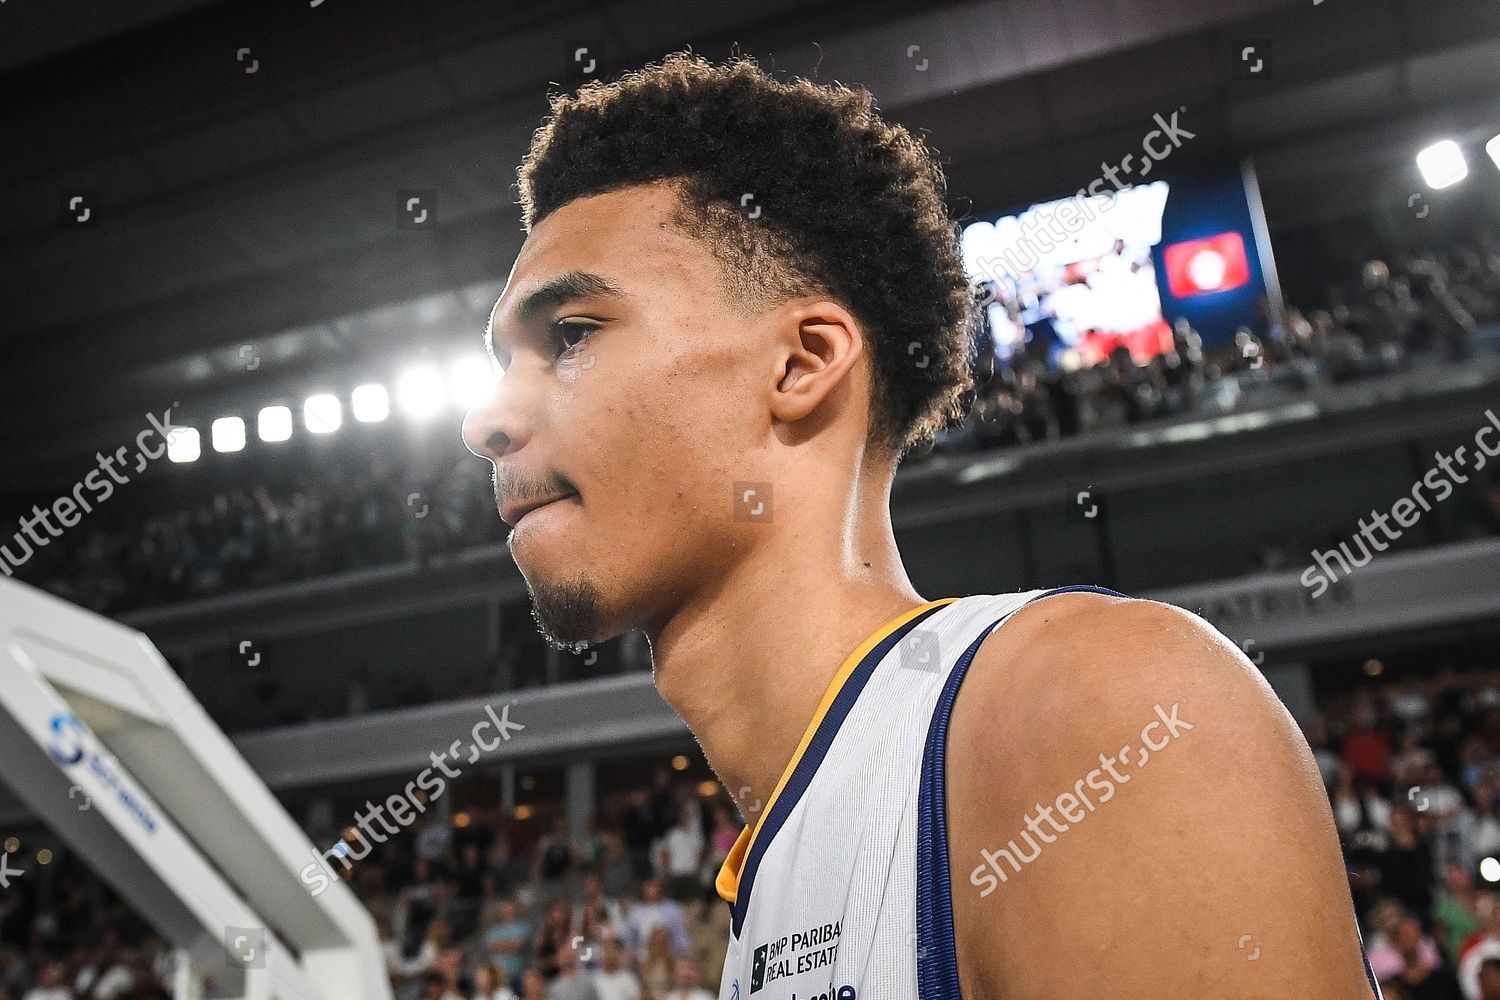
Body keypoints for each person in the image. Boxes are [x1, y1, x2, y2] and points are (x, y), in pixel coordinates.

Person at [461, 51, 1382, 998]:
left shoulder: (1090, 711)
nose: (484, 420)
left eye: (569, 335)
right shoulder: (772, 879)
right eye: (502, 362)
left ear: (802, 363)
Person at [592, 931, 642, 1000]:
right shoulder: (595, 980)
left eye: (612, 949)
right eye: (606, 950)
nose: (609, 954)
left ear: (618, 954)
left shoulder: (629, 979)